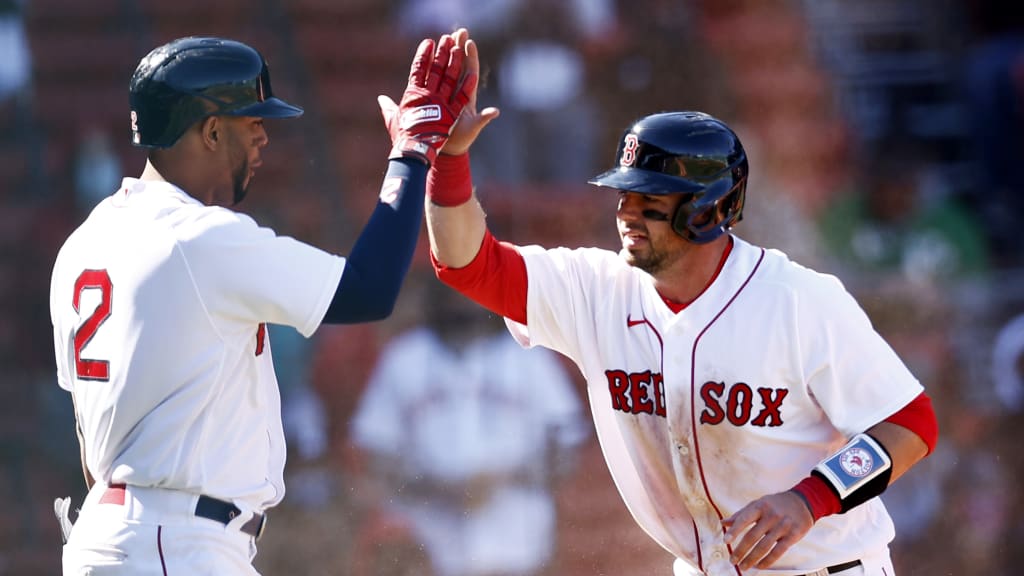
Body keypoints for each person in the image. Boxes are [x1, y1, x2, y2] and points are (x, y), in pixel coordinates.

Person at [419, 28, 939, 576]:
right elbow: (467, 265)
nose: (626, 213)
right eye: (623, 196)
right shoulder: (596, 289)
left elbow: (910, 423)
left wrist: (811, 499)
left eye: (648, 200)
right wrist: (449, 160)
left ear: (708, 208)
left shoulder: (797, 301)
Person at [49, 33, 475, 575]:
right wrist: (412, 154)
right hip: (173, 544)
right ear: (208, 131)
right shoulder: (199, 238)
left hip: (116, 536)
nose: (263, 138)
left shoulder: (84, 242)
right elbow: (369, 289)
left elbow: (90, 445)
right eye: (251, 121)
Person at [348, 277, 589, 576]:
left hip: (517, 543)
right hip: (428, 546)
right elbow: (375, 451)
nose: (464, 301)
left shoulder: (530, 356)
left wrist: (505, 477)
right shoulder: (404, 356)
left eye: (473, 287)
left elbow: (566, 444)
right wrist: (436, 485)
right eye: (455, 289)